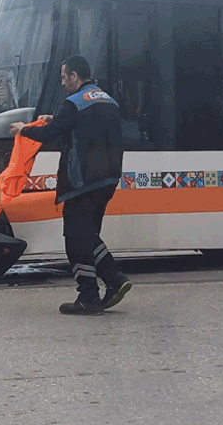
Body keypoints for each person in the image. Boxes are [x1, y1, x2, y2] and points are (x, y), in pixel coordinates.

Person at [10, 55, 132, 316]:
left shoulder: (73, 103)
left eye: (65, 77)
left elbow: (49, 134)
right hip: (107, 180)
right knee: (87, 235)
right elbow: (81, 125)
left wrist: (23, 129)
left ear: (75, 76)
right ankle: (112, 281)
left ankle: (92, 293)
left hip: (82, 182)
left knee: (76, 238)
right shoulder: (108, 101)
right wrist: (55, 117)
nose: (63, 83)